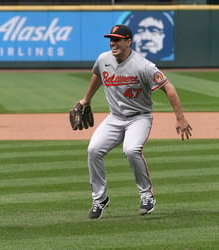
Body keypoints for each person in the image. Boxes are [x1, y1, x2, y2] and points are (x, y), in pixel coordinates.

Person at [75, 24, 192, 219]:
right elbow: (97, 75)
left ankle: (147, 195)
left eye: (117, 39)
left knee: (131, 150)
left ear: (128, 41)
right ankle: (100, 199)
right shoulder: (103, 59)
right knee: (93, 150)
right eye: (111, 39)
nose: (113, 43)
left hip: (139, 117)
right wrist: (86, 99)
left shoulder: (144, 66)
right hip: (114, 118)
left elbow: (169, 88)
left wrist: (180, 118)